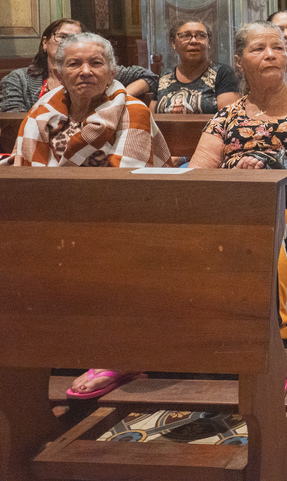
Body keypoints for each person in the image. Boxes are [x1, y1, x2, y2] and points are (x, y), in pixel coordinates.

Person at [8, 33, 170, 399]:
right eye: (74, 64)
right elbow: (25, 178)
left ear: (112, 69)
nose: (85, 71)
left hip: (128, 221)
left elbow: (125, 185)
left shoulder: (133, 111)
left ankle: (117, 355)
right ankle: (36, 353)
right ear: (58, 70)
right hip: (56, 218)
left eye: (96, 63)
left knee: (103, 254)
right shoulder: (41, 113)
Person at [190, 21, 287, 343]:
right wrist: (237, 175)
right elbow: (197, 178)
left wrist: (277, 165)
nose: (271, 55)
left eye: (278, 48)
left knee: (264, 230)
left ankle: (274, 348)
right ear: (239, 61)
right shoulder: (226, 117)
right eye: (259, 49)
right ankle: (203, 339)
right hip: (238, 211)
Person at [1, 19, 154, 112]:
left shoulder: (98, 72)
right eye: (62, 37)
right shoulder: (19, 79)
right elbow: (14, 120)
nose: (67, 43)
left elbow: (149, 77)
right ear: (45, 43)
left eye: (76, 38)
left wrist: (121, 97)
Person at [153, 20, 239, 114]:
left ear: (209, 42)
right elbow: (151, 120)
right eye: (185, 35)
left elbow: (228, 119)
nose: (194, 41)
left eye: (201, 36)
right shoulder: (164, 76)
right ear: (173, 43)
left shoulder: (223, 73)